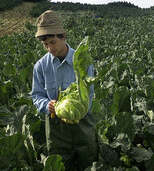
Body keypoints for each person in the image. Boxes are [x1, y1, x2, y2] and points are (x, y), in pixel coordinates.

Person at [31, 10, 98, 171]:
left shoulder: (81, 60)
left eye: (52, 42)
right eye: (45, 44)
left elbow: (88, 97)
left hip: (82, 126)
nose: (49, 48)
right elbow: (37, 95)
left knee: (88, 163)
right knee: (60, 165)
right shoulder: (41, 66)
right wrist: (47, 105)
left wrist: (74, 112)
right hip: (56, 129)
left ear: (63, 36)